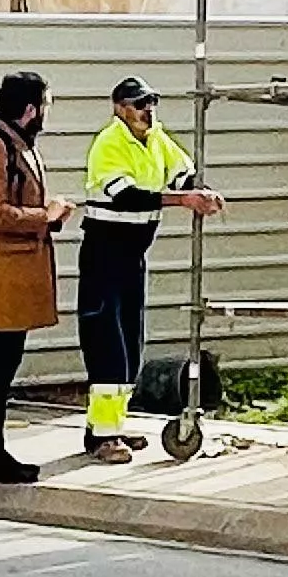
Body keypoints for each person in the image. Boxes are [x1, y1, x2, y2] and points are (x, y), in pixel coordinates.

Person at [77, 77, 222, 463]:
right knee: (108, 347)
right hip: (104, 256)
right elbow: (125, 197)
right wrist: (183, 200)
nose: (148, 110)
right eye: (139, 104)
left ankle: (109, 425)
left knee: (130, 345)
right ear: (119, 108)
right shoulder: (109, 143)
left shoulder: (156, 138)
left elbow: (182, 173)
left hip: (132, 257)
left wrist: (200, 190)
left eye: (151, 102)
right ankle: (103, 437)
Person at [0, 70, 72, 484]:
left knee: (4, 363)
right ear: (30, 109)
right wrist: (46, 215)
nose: (46, 113)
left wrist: (51, 216)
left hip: (19, 272)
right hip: (2, 274)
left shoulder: (20, 145)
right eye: (45, 105)